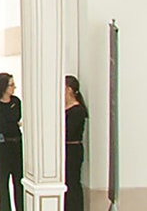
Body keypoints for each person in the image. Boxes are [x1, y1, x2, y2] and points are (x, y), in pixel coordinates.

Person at [0, 71, 26, 211]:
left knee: (19, 180)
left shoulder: (16, 102)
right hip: (2, 146)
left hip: (17, 144)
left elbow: (15, 119)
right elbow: (2, 124)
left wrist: (14, 124)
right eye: (11, 85)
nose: (14, 88)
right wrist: (14, 124)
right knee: (3, 180)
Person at [64, 74, 88, 211]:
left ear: (69, 90)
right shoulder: (64, 109)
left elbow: (70, 131)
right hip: (66, 150)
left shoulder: (77, 111)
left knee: (72, 182)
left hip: (73, 150)